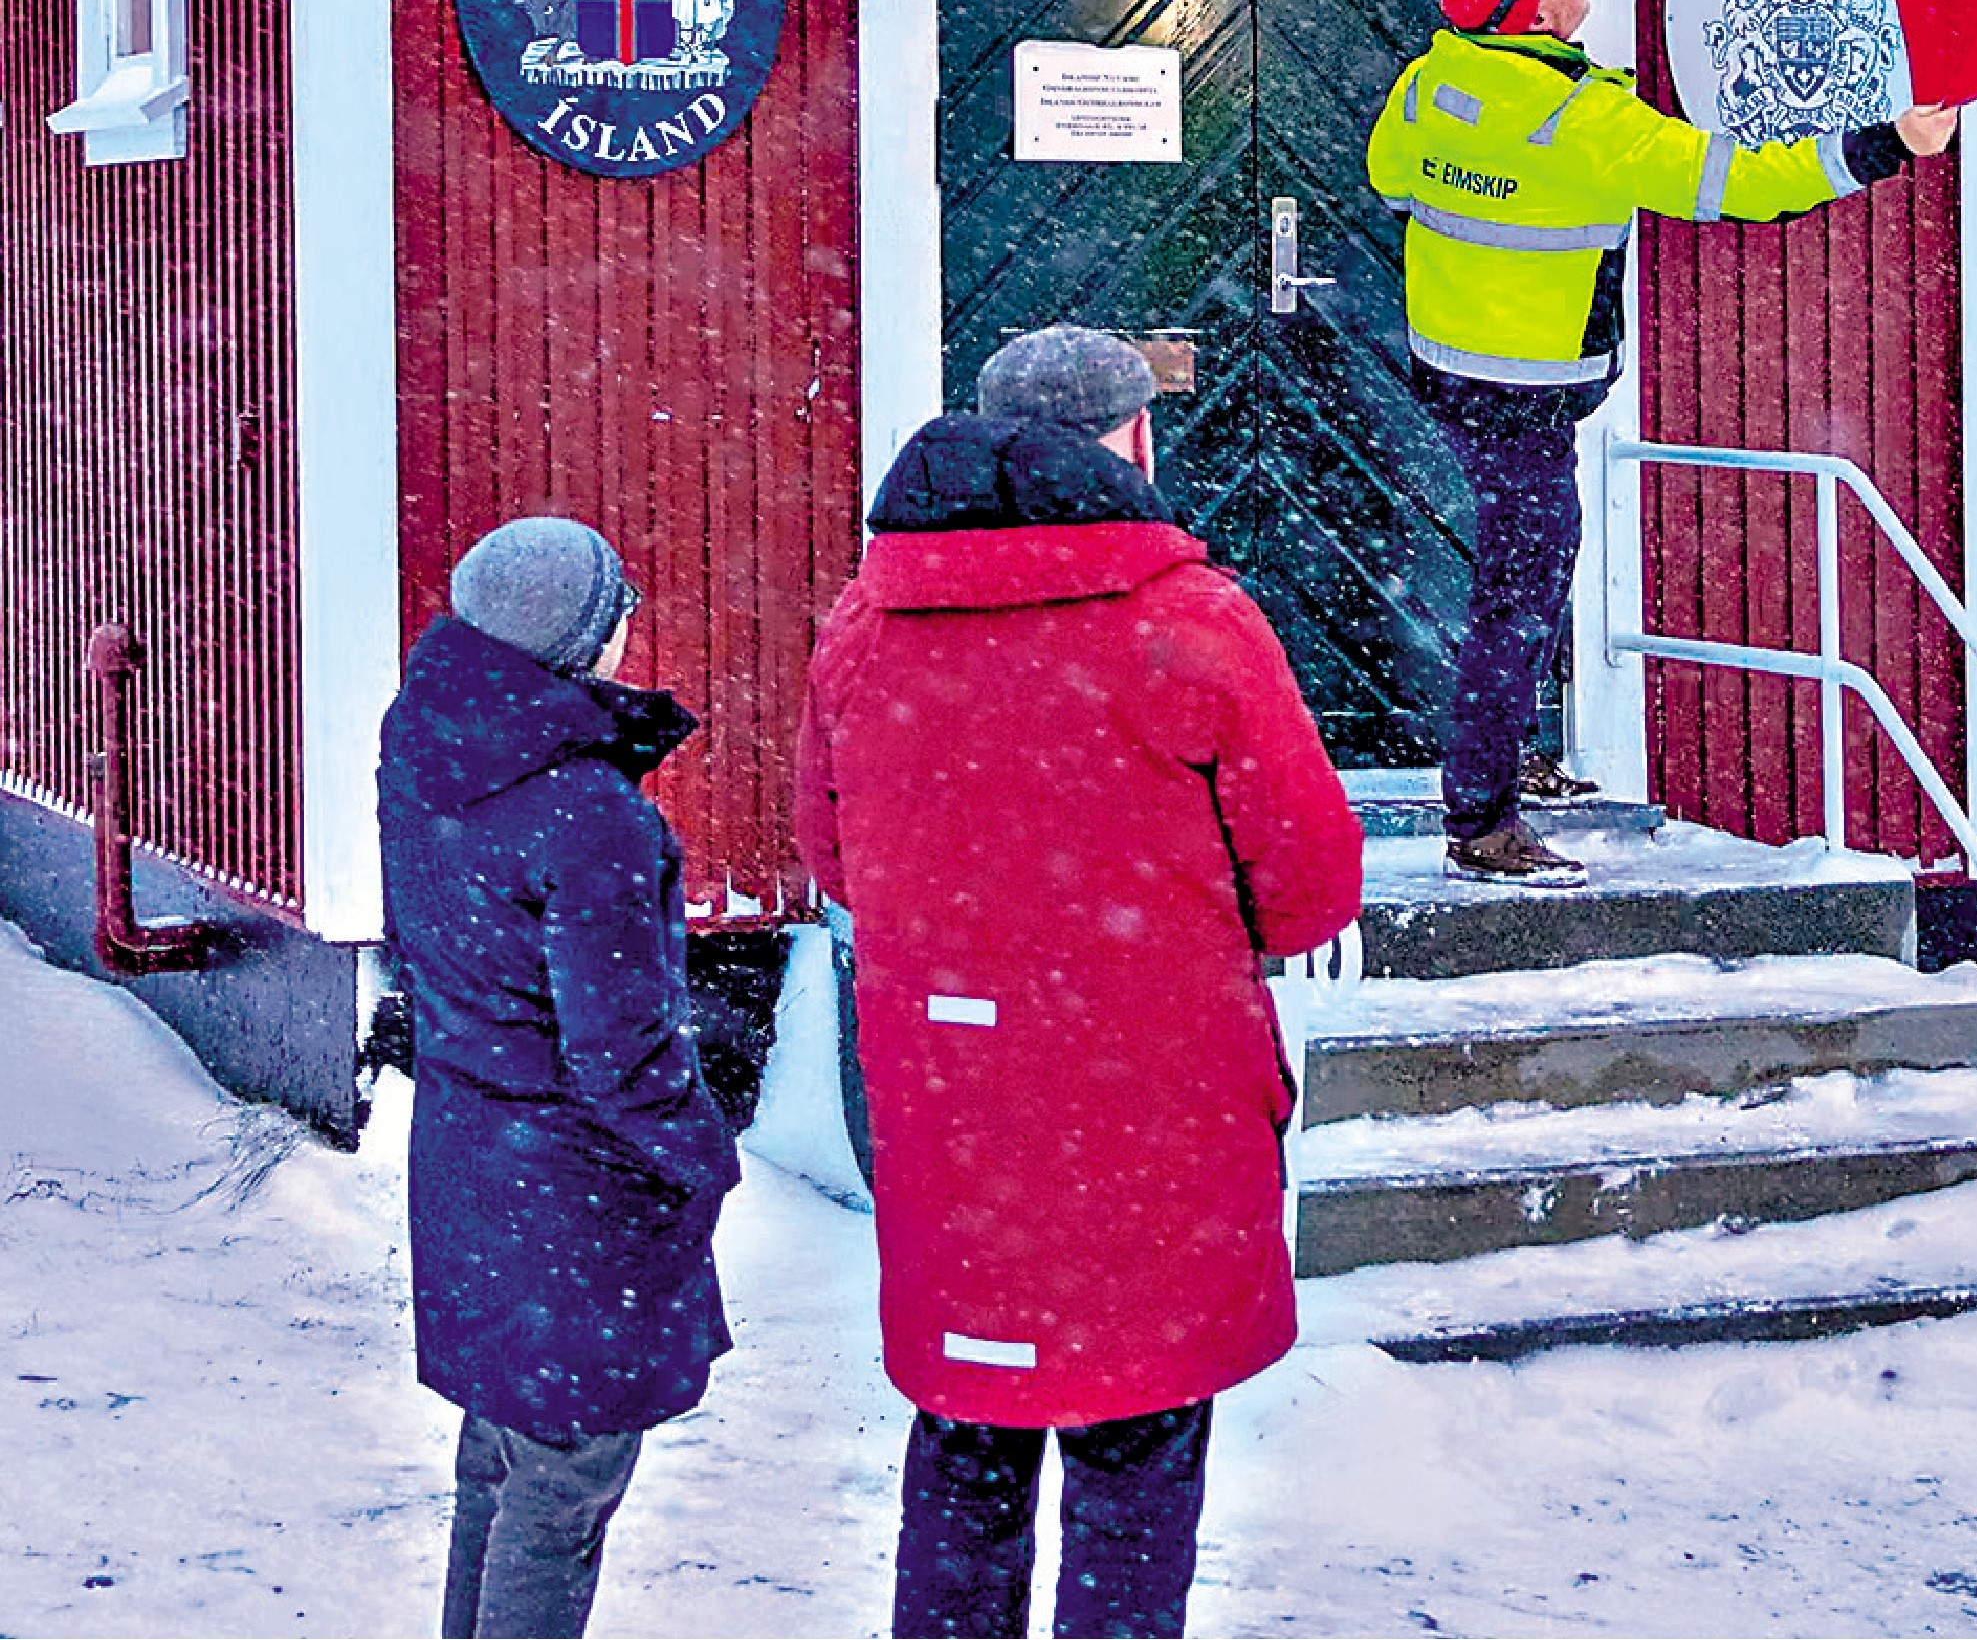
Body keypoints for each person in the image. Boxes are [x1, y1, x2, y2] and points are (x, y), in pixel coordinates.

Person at [800, 326, 1363, 1640]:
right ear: (1134, 441)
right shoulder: (1190, 623)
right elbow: (1308, 884)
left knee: (970, 1427)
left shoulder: (867, 625)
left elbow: (833, 855)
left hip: (957, 1107)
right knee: (1138, 1443)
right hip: (1152, 1111)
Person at [1367, 0, 1958, 885]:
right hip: (1528, 394)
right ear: (1530, 11)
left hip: (1454, 377)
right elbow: (1748, 184)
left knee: (1519, 574)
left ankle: (1504, 750)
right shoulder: (1588, 123)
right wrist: (1891, 142)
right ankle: (1481, 820)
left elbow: (1391, 177)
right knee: (1517, 594)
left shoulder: (1432, 82)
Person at [377, 516, 738, 1640]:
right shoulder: (590, 817)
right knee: (562, 1489)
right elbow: (620, 1054)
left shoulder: (430, 750)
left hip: (472, 1164)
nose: (634, 620)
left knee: (501, 1458)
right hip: (573, 1198)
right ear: (581, 640)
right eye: (619, 603)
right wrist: (700, 1152)